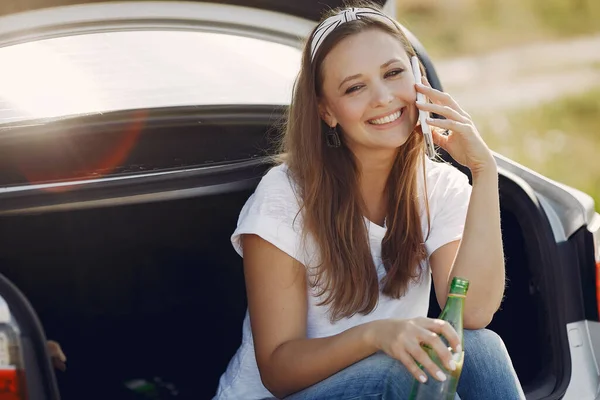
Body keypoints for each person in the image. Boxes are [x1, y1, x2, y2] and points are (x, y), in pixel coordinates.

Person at [214, 2, 525, 399]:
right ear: (326, 110)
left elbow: (474, 313)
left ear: (418, 77)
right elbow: (278, 368)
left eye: (393, 73)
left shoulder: (439, 186)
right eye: (355, 87)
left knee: (481, 349)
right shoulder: (285, 196)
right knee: (401, 373)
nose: (382, 97)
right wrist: (376, 336)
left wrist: (483, 173)